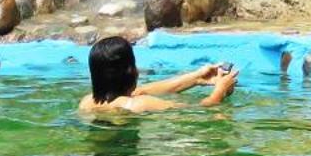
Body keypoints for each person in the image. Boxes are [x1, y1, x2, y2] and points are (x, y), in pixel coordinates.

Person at [77, 36, 238, 117]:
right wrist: (220, 90)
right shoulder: (138, 105)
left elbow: (141, 91)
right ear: (131, 71)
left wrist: (197, 77)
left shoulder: (86, 102)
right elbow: (198, 111)